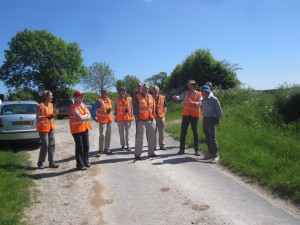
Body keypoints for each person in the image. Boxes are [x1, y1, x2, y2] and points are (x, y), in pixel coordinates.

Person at [172, 80, 202, 156]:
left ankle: (197, 150)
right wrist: (176, 97)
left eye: (191, 85)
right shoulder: (185, 93)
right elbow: (179, 97)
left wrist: (193, 103)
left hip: (195, 116)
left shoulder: (199, 94)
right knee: (183, 132)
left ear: (194, 85)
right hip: (186, 115)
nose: (190, 86)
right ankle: (181, 149)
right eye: (189, 85)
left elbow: (201, 103)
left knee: (195, 133)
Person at [69, 90, 92, 170]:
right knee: (79, 147)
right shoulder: (73, 107)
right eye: (80, 96)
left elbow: (89, 116)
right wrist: (85, 116)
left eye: (82, 96)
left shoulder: (83, 105)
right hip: (76, 129)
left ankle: (86, 161)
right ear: (75, 97)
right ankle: (80, 164)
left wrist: (84, 116)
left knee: (86, 145)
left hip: (85, 127)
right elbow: (81, 117)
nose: (82, 97)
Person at [133, 83, 157, 159]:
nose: (145, 89)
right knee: (140, 138)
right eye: (144, 88)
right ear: (141, 89)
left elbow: (153, 106)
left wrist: (154, 115)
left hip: (150, 119)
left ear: (148, 89)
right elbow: (135, 108)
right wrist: (137, 117)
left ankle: (151, 153)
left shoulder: (151, 96)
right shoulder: (137, 97)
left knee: (152, 137)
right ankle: (137, 154)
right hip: (141, 120)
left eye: (147, 88)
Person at [36, 90, 59, 169]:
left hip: (51, 128)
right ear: (46, 96)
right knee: (45, 145)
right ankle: (40, 162)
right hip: (43, 129)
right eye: (50, 96)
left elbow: (52, 116)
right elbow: (37, 117)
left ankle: (51, 162)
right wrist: (46, 117)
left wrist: (55, 113)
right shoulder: (40, 105)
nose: (52, 97)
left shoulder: (51, 105)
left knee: (52, 145)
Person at [199, 85, 222, 163]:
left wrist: (217, 120)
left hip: (212, 120)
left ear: (207, 92)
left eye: (203, 91)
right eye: (201, 91)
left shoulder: (214, 99)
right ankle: (210, 153)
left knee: (212, 139)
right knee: (207, 138)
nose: (202, 93)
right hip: (205, 119)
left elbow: (219, 111)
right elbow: (199, 104)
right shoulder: (203, 100)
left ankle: (216, 156)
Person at [91, 89, 113, 157]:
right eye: (106, 93)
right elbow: (92, 109)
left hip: (109, 119)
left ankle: (107, 148)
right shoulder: (99, 101)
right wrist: (94, 117)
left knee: (108, 134)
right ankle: (100, 150)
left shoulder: (109, 100)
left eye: (108, 93)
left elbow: (109, 110)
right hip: (102, 120)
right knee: (102, 135)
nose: (107, 94)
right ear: (102, 94)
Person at [114, 87, 133, 151]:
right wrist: (115, 117)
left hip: (128, 118)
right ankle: (122, 145)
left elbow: (131, 108)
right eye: (122, 91)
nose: (123, 92)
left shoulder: (130, 99)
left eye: (124, 91)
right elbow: (115, 109)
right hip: (120, 118)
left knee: (128, 133)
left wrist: (131, 116)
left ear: (126, 92)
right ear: (120, 92)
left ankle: (128, 145)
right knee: (121, 132)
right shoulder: (117, 99)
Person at [151, 85, 167, 150]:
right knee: (152, 132)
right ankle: (153, 146)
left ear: (158, 90)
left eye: (156, 90)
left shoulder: (162, 97)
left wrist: (163, 114)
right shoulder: (149, 97)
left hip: (161, 117)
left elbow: (165, 106)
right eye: (154, 90)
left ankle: (162, 145)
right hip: (152, 117)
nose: (155, 91)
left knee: (161, 132)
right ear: (152, 91)